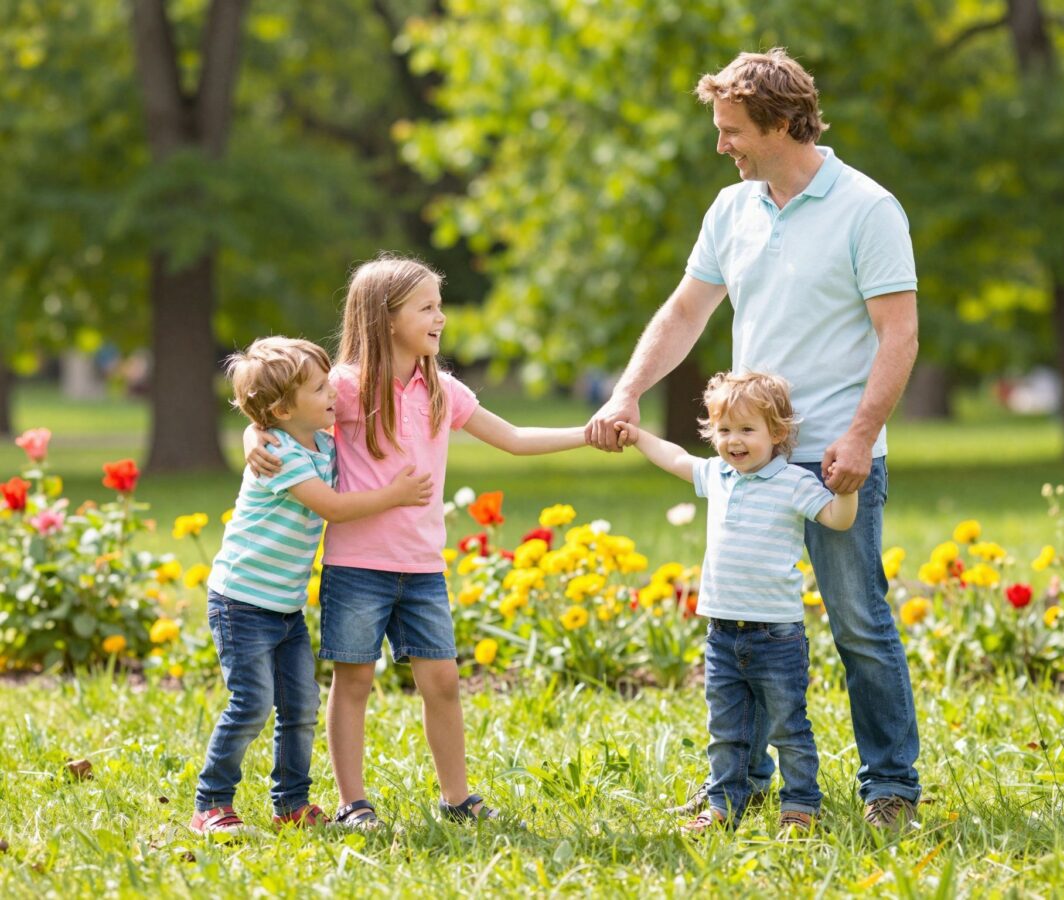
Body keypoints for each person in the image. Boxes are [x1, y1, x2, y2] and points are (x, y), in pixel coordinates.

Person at [587, 48, 922, 829]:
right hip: (749, 458)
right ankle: (737, 789)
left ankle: (891, 789)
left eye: (732, 130)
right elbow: (683, 313)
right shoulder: (730, 209)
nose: (721, 145)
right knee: (737, 630)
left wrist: (860, 435)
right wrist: (629, 390)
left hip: (836, 460)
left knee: (859, 624)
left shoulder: (868, 208)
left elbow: (899, 335)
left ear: (778, 122)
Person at [247, 253, 586, 829]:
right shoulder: (348, 389)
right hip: (357, 565)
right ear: (386, 317)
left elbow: (515, 437)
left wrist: (589, 433)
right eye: (427, 307)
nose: (440, 318)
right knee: (354, 679)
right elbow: (282, 408)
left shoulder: (442, 390)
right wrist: (255, 434)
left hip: (423, 566)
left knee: (443, 681)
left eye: (439, 305)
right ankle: (354, 803)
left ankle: (458, 798)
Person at [192, 337, 432, 835]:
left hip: (283, 609)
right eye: (320, 388)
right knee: (252, 703)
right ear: (282, 409)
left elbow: (269, 431)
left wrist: (251, 432)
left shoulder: (320, 442)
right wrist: (396, 495)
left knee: (299, 707)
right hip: (240, 602)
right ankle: (210, 803)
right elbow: (334, 507)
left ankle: (291, 805)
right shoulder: (279, 454)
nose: (333, 396)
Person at [616, 371, 857, 835]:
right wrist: (639, 435)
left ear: (777, 434)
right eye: (724, 430)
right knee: (726, 729)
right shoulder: (719, 475)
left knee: (789, 728)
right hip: (722, 631)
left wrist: (848, 486)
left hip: (776, 634)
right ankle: (725, 802)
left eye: (747, 430)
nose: (734, 441)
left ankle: (801, 805)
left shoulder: (791, 482)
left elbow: (837, 519)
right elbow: (675, 458)